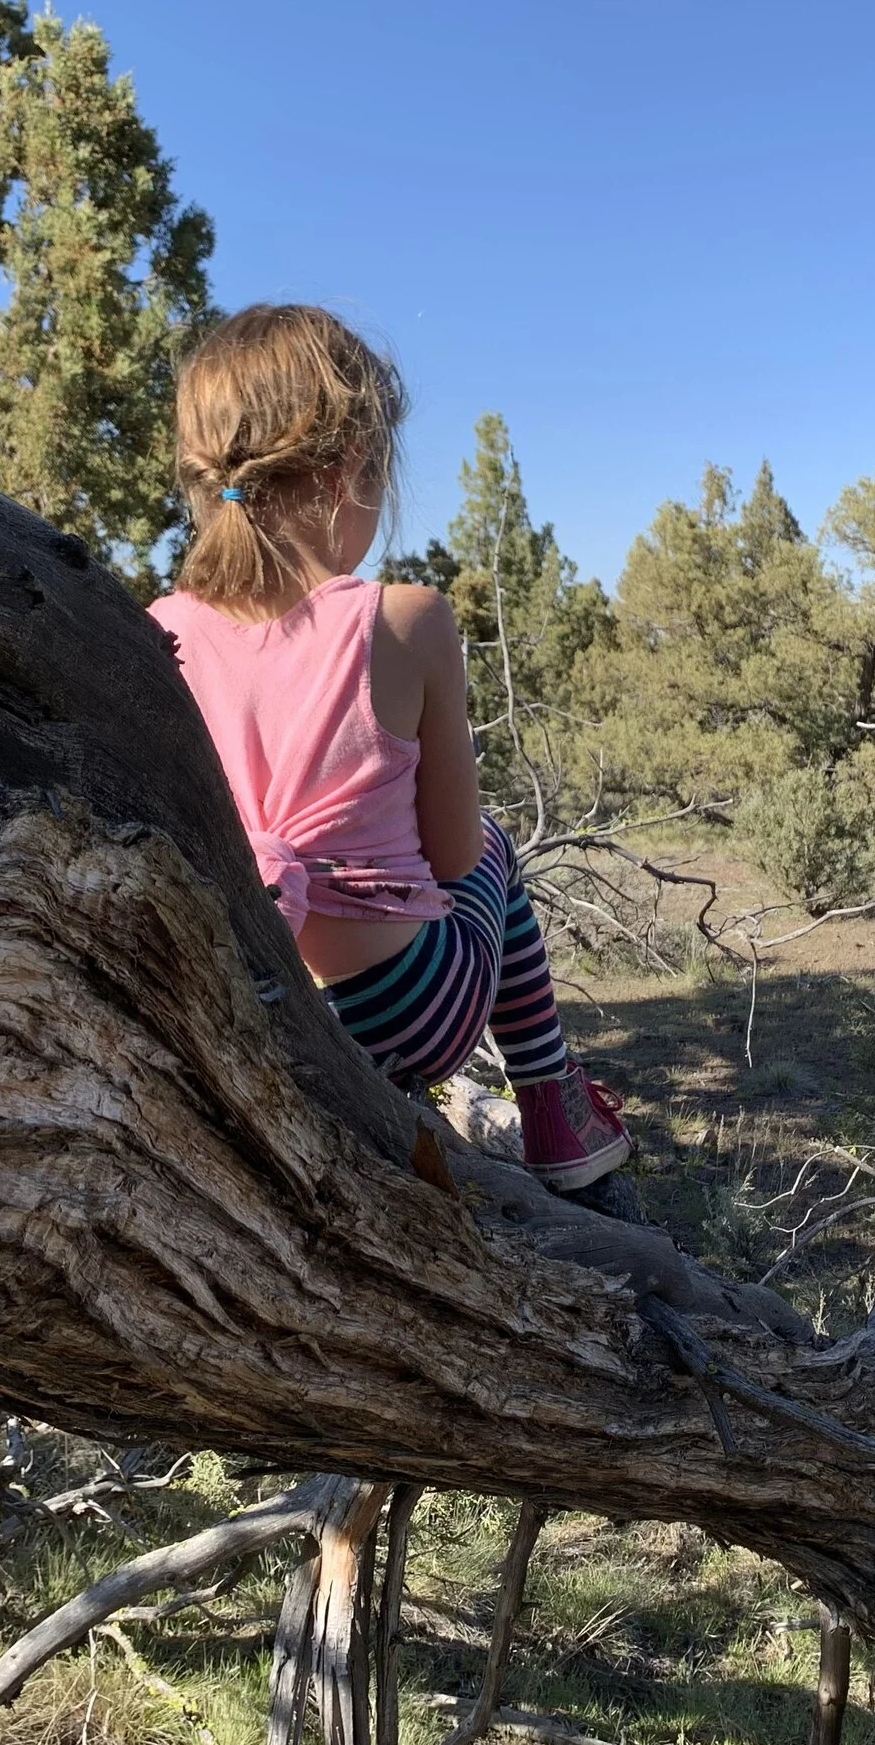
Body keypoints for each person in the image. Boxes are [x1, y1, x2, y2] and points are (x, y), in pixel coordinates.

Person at [148, 304, 632, 1191]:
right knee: (492, 847)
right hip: (402, 1009)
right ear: (348, 470)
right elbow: (450, 856)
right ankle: (553, 1108)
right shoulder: (405, 620)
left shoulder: (157, 633)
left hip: (244, 996)